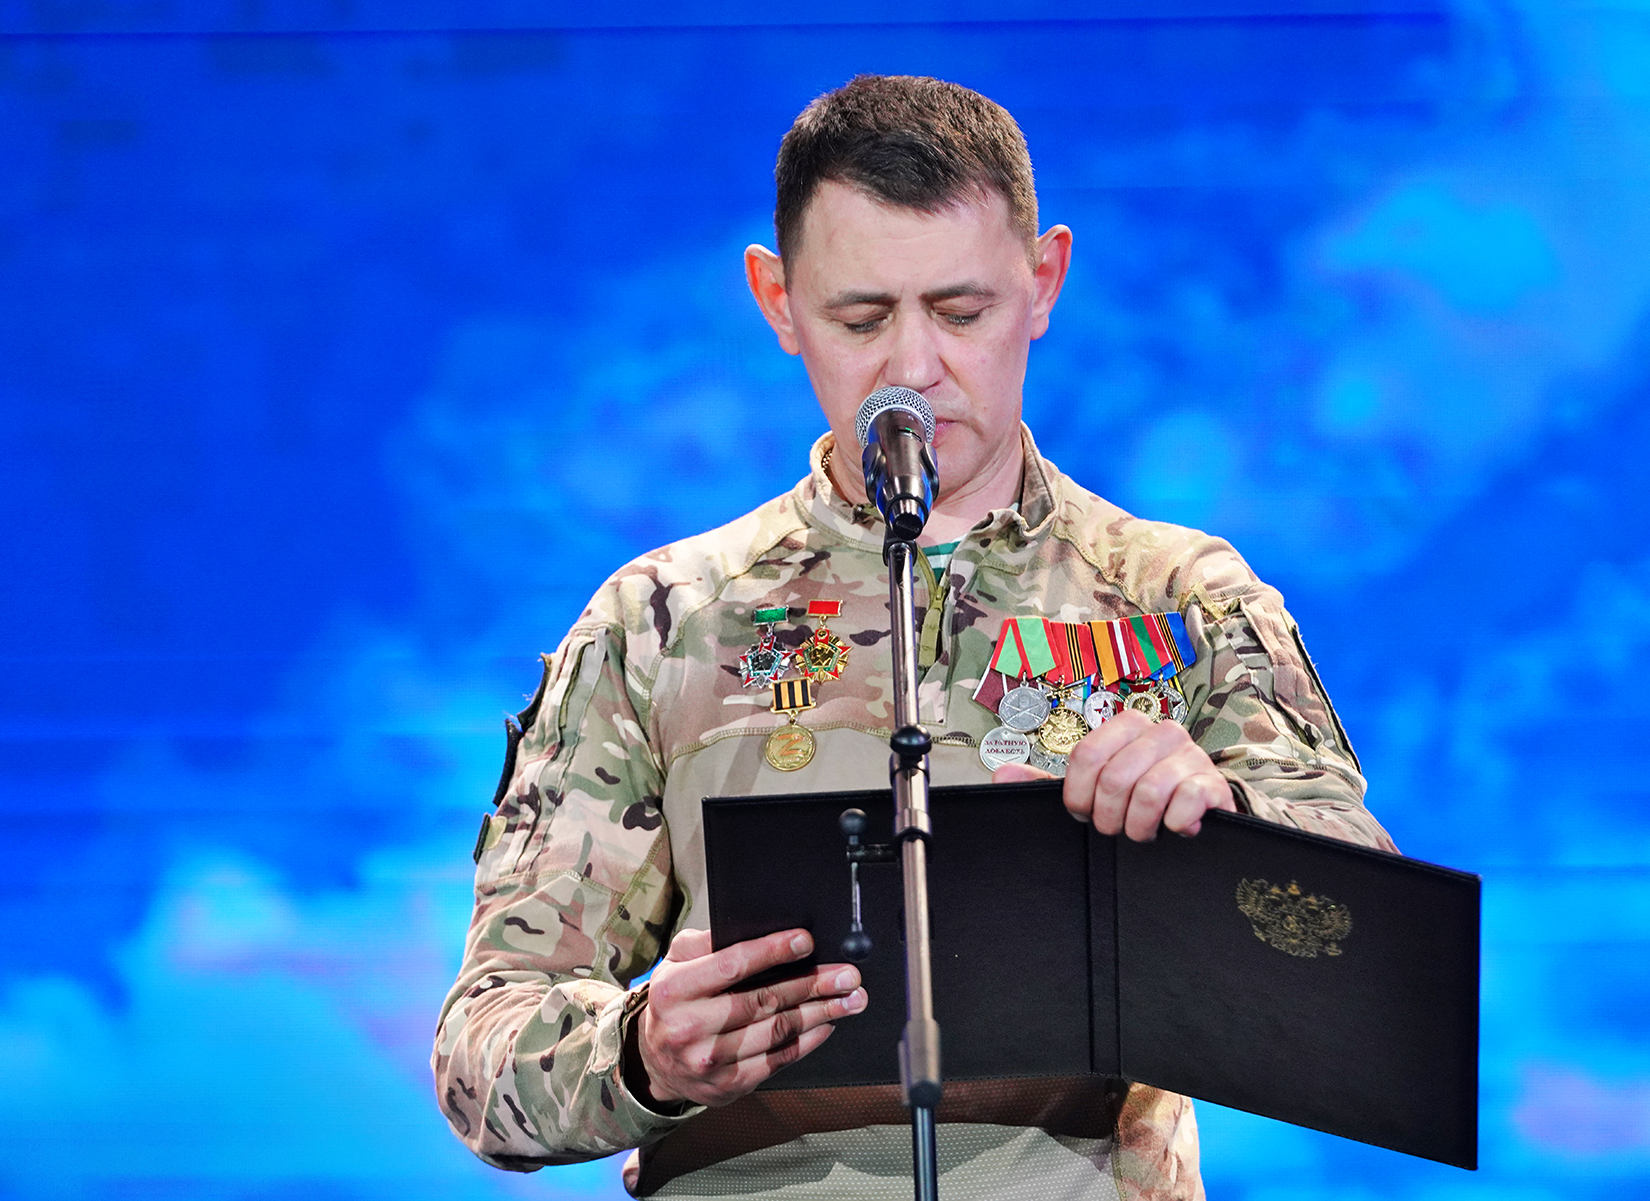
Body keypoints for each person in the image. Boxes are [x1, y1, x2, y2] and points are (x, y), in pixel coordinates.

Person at [434, 74, 1395, 1200]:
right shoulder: (660, 619)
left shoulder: (1183, 597)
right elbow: (481, 1058)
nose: (912, 369)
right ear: (777, 300)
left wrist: (1225, 829)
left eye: (961, 311)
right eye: (860, 318)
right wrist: (641, 1051)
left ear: (1043, 281)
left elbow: (1375, 976)